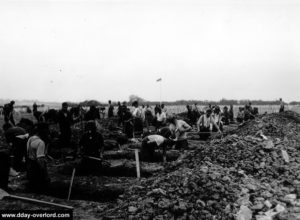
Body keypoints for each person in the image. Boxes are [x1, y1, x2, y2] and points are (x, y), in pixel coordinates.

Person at [26, 123, 50, 192]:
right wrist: (45, 174)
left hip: (30, 166)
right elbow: (40, 160)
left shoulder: (30, 138)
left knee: (33, 186)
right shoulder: (41, 142)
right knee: (41, 187)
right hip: (37, 168)